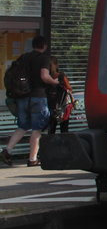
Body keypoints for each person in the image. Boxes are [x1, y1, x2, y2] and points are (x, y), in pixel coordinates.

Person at [1, 35, 64, 167]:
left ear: (33, 45)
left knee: (23, 126)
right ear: (44, 46)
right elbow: (44, 76)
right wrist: (55, 82)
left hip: (22, 97)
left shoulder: (24, 57)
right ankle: (32, 159)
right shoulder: (44, 59)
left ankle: (7, 151)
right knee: (37, 129)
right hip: (38, 96)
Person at [45, 59, 74, 134]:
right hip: (51, 106)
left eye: (50, 65)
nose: (49, 67)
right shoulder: (45, 77)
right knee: (51, 129)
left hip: (62, 106)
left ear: (56, 65)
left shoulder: (61, 76)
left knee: (63, 128)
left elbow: (69, 89)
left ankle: (63, 144)